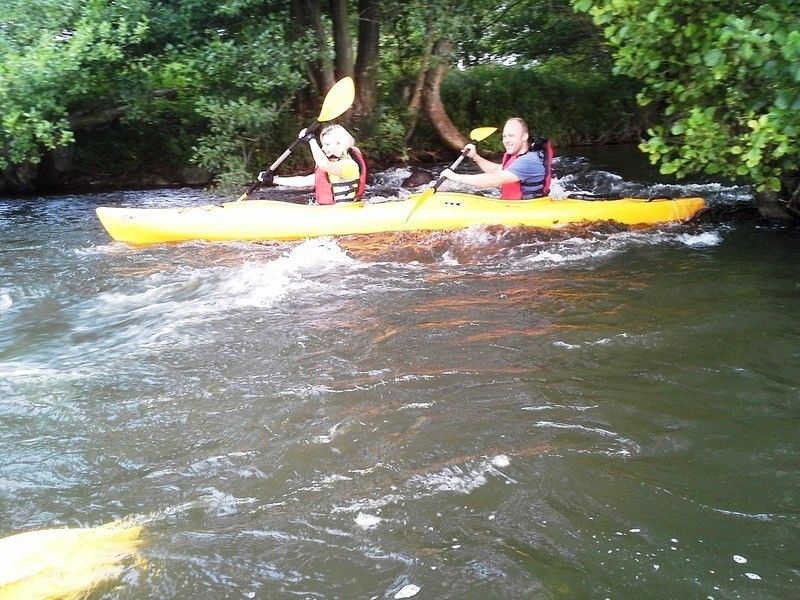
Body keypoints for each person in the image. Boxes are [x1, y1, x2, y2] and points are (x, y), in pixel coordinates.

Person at [439, 117, 552, 199]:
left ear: (524, 137)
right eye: (504, 136)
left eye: (511, 136)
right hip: (514, 205)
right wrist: (475, 157)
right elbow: (497, 170)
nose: (506, 140)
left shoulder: (529, 161)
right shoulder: (517, 157)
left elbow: (494, 180)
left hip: (527, 209)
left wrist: (454, 176)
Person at [258, 124, 367, 204]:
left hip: (344, 213)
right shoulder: (334, 166)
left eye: (327, 144)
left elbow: (324, 164)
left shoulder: (350, 165)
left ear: (339, 144)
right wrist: (273, 180)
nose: (323, 148)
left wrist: (311, 140)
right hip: (331, 212)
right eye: (323, 145)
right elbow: (304, 181)